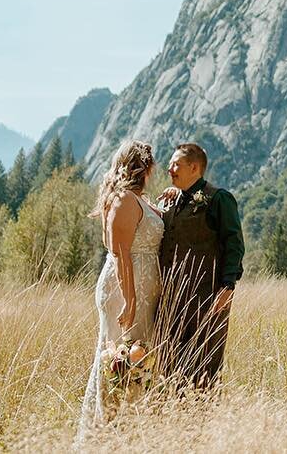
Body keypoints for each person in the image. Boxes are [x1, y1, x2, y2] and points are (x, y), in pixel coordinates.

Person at [79, 139, 163, 432]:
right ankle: (109, 428)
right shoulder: (124, 199)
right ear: (144, 167)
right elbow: (121, 253)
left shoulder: (135, 199)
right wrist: (130, 300)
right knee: (119, 357)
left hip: (138, 290)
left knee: (135, 357)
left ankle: (126, 426)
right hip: (125, 289)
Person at [156, 141, 244, 388]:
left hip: (207, 297)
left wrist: (228, 286)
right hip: (171, 300)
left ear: (194, 168)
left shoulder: (219, 199)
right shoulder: (171, 201)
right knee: (169, 365)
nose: (169, 168)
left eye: (176, 164)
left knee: (205, 366)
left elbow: (234, 244)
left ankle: (203, 420)